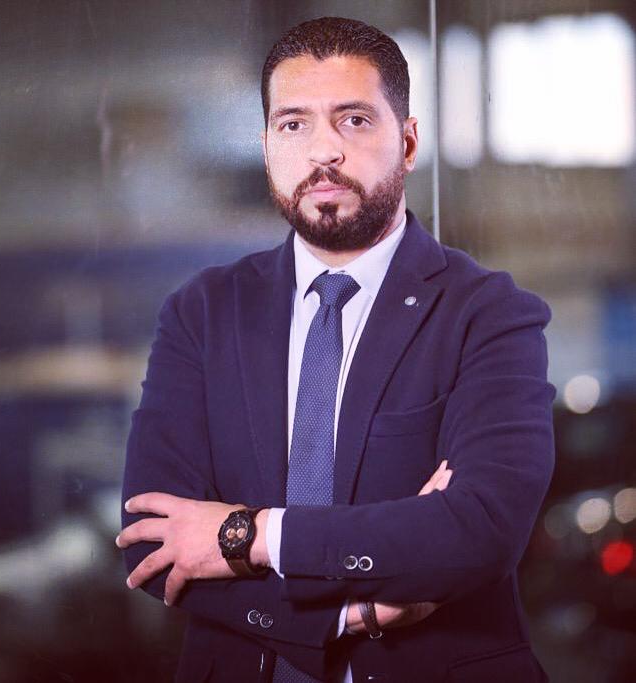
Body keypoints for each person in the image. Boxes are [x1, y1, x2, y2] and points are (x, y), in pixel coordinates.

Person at [117, 16, 555, 683]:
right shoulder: (202, 313)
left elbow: (480, 531)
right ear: (267, 146)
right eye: (293, 124)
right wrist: (346, 617)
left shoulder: (488, 313)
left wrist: (250, 535)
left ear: (407, 142)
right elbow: (152, 543)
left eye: (353, 120)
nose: (323, 151)